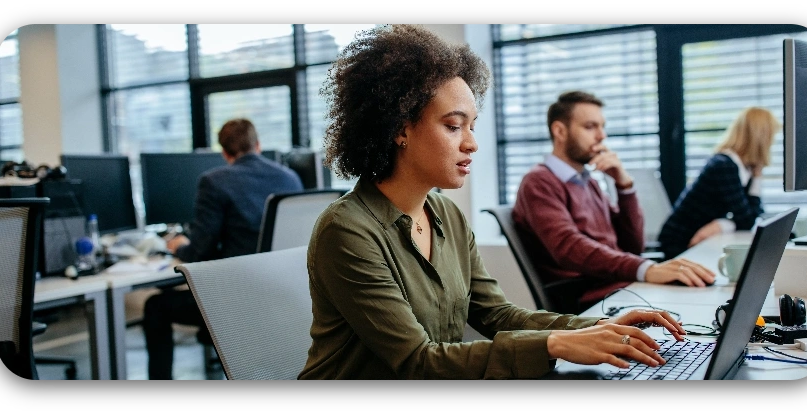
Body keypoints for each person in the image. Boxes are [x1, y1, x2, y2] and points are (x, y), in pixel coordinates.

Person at [298, 24, 692, 381]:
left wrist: (593, 329)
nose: (471, 143)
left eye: (472, 126)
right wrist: (554, 345)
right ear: (400, 128)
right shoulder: (347, 229)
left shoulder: (447, 215)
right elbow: (418, 362)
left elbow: (497, 314)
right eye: (453, 126)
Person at [512, 90, 716, 314]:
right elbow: (569, 247)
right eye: (590, 127)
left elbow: (632, 246)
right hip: (589, 297)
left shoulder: (588, 183)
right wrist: (644, 269)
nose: (602, 136)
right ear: (560, 131)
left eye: (602, 126)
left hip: (617, 287)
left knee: (702, 294)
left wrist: (624, 185)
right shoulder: (538, 182)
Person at [142, 118, 303, 380]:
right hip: (283, 292)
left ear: (225, 153)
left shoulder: (214, 181)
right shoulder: (290, 177)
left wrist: (180, 245)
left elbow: (199, 252)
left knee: (155, 306)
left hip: (236, 298)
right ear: (258, 145)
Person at [657, 106, 780, 260]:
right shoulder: (724, 165)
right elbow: (746, 220)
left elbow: (754, 213)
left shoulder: (743, 168)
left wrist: (757, 176)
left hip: (700, 238)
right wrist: (722, 224)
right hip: (681, 242)